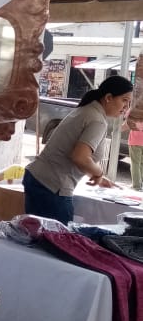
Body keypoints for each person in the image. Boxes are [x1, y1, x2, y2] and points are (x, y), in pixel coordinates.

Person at [23, 75, 134, 223]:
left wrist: (97, 177)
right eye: (124, 100)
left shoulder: (87, 110)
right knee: (56, 235)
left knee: (36, 233)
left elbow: (78, 156)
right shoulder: (97, 120)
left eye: (129, 102)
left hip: (39, 178)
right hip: (52, 185)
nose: (126, 107)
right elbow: (80, 157)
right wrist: (99, 173)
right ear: (108, 97)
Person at [126, 113, 143, 191]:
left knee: (135, 163)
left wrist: (117, 129)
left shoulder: (135, 110)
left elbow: (127, 122)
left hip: (135, 140)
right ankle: (140, 183)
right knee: (141, 163)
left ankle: (136, 186)